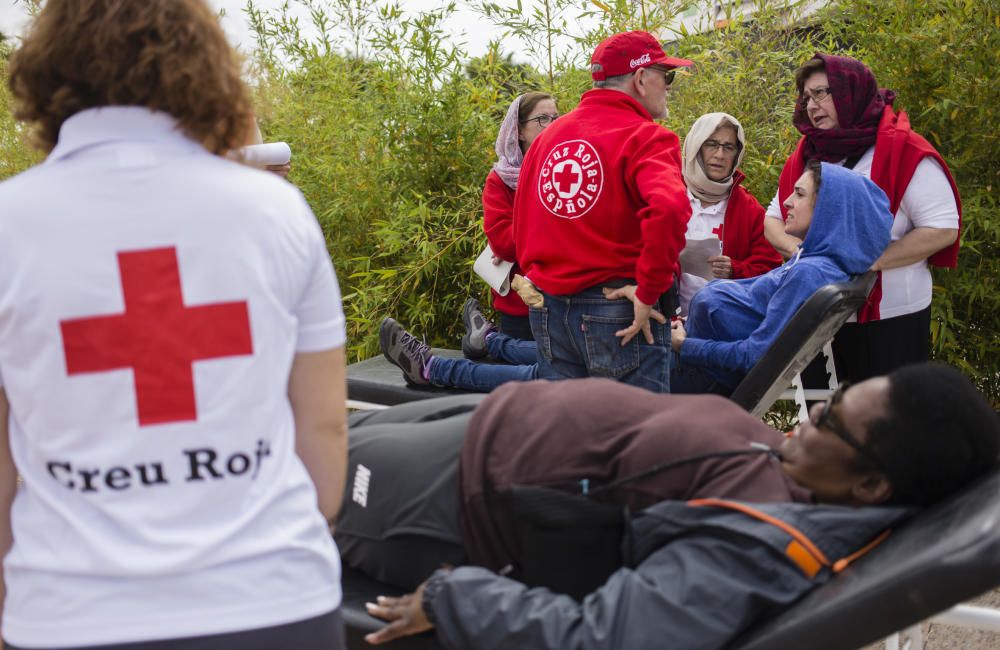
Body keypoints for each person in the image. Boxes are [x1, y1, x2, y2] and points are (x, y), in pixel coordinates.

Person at [0, 2, 348, 649]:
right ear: (204, 67)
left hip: (72, 613)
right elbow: (323, 427)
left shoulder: (8, 226)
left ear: (47, 75)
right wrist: (290, 546)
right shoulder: (277, 213)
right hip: (273, 603)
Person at [335, 362, 1000, 648]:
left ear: (872, 487)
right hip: (489, 427)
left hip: (456, 498)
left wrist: (457, 601)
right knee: (302, 431)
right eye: (835, 396)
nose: (814, 412)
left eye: (832, 421)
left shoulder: (755, 548)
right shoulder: (813, 487)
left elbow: (611, 640)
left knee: (275, 483)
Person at [514, 30, 693, 393]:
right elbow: (671, 208)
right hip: (619, 313)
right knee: (635, 442)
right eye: (667, 75)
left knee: (572, 440)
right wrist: (649, 289)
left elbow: (523, 224)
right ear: (641, 78)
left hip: (549, 310)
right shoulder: (646, 136)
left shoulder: (548, 138)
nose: (669, 86)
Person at [762, 53, 960, 382]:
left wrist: (870, 260)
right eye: (806, 97)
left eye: (822, 93)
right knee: (832, 426)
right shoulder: (807, 153)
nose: (811, 105)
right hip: (817, 317)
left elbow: (942, 228)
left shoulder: (904, 149)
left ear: (850, 90)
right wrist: (804, 257)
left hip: (893, 318)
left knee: (888, 425)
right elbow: (772, 221)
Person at [669, 160, 892, 395]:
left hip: (702, 373)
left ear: (828, 207)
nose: (787, 201)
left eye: (799, 194)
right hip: (696, 355)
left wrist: (684, 346)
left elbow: (754, 355)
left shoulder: (810, 273)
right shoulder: (813, 262)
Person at [677, 112, 783, 314]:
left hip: (723, 324)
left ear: (737, 154)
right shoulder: (668, 194)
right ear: (695, 146)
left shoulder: (749, 209)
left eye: (729, 147)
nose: (720, 155)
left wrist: (735, 270)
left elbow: (771, 270)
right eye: (711, 144)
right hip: (663, 321)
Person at [479, 92, 558, 342]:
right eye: (542, 118)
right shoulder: (500, 180)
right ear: (519, 131)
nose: (552, 125)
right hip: (518, 307)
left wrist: (524, 234)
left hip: (563, 302)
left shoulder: (564, 168)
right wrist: (554, 233)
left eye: (556, 117)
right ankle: (491, 344)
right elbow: (503, 242)